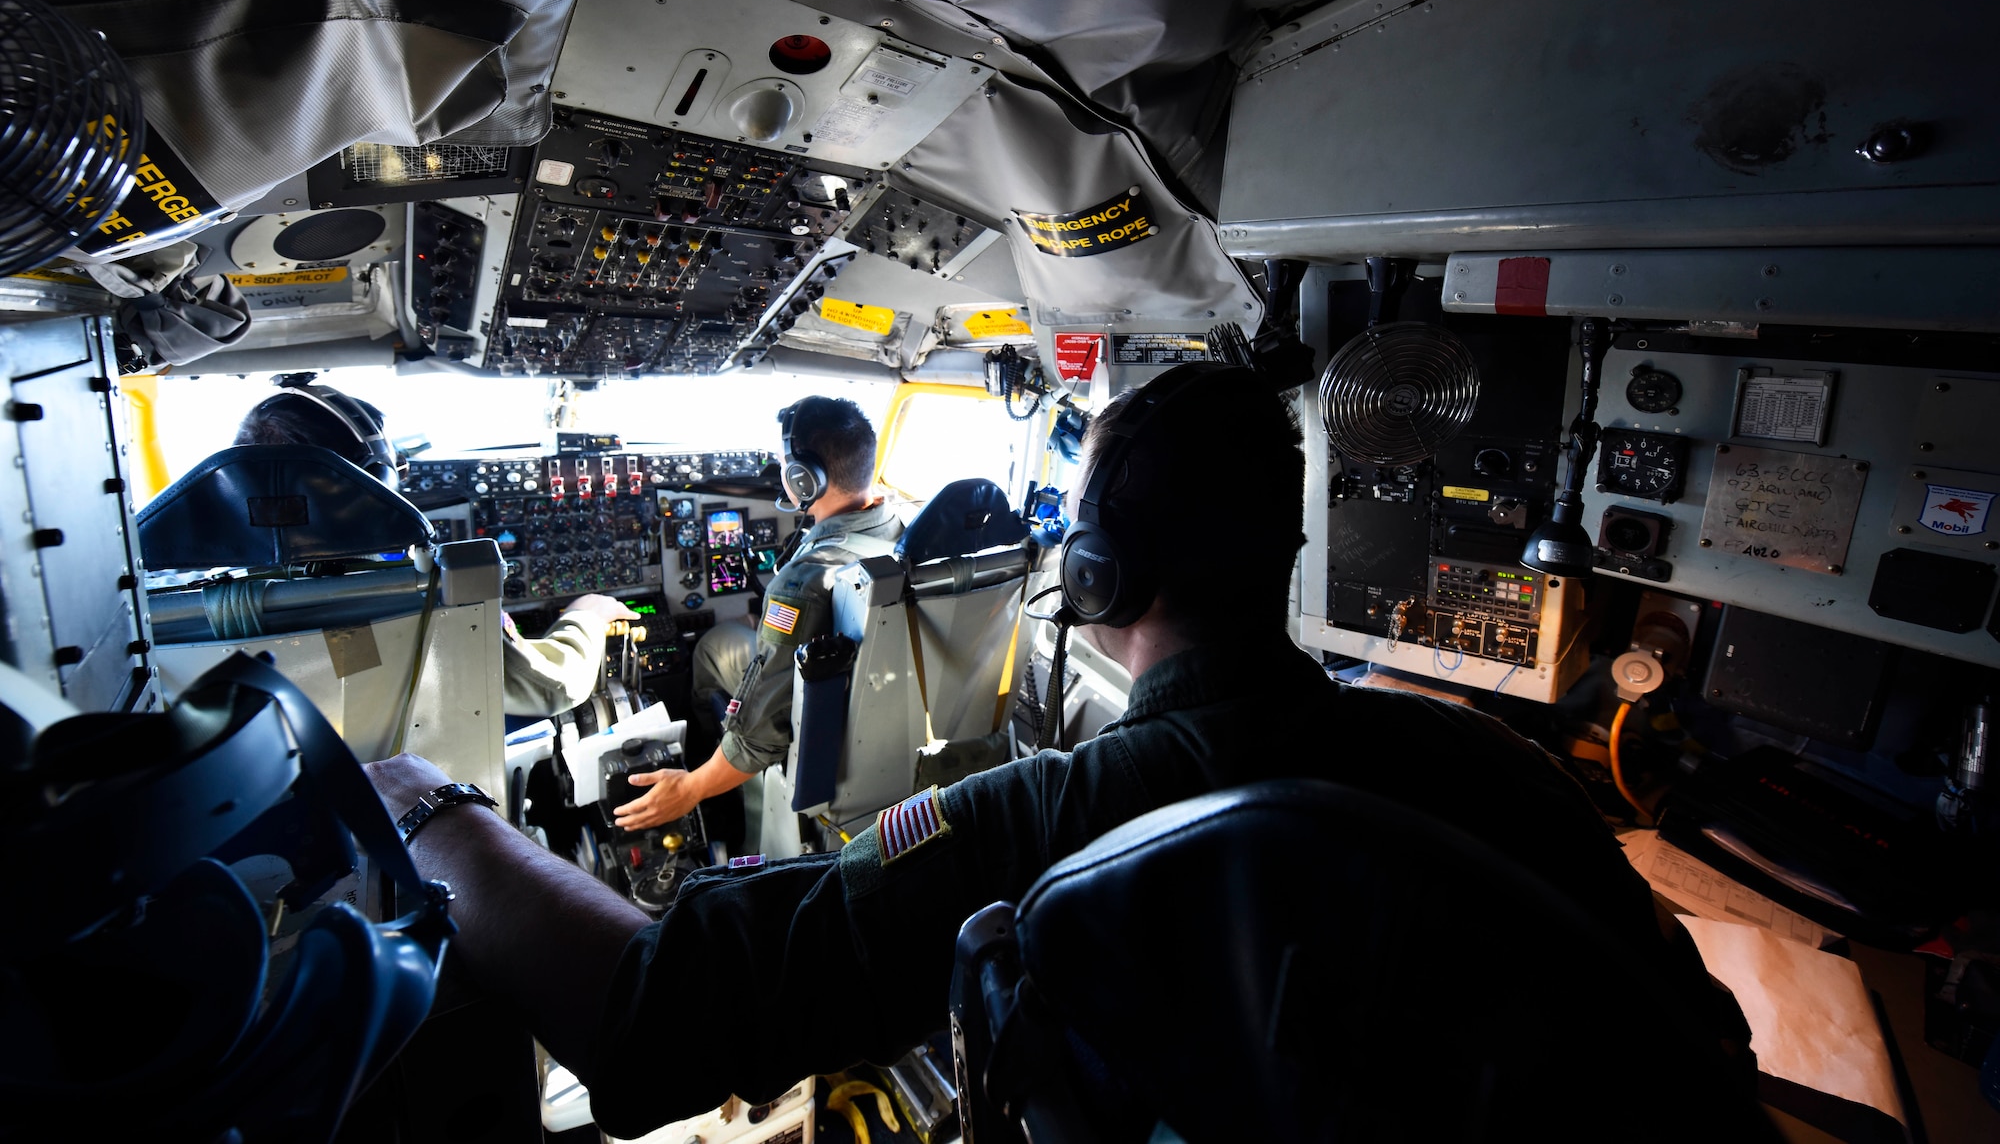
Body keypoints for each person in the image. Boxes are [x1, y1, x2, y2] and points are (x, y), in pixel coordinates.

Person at [363, 365, 1746, 1136]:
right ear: (1284, 556)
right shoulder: (1500, 767)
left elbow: (654, 1011)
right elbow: (1703, 1038)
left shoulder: (1034, 820)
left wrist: (426, 803)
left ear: (1094, 575)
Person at [234, 383, 636, 715]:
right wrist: (587, 615)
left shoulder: (196, 603)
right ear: (374, 483)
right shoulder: (415, 600)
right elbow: (551, 688)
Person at [611, 396, 905, 832]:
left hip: (821, 723)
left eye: (785, 465)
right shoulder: (902, 526)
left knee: (712, 646)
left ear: (804, 479)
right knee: (739, 636)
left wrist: (689, 788)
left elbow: (762, 735)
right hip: (886, 705)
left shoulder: (801, 584)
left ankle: (712, 768)